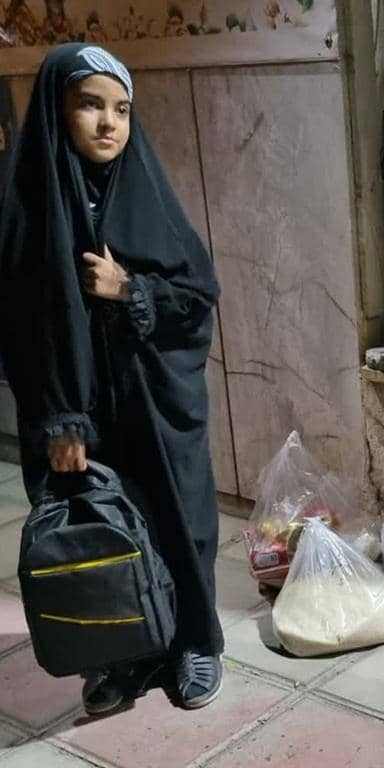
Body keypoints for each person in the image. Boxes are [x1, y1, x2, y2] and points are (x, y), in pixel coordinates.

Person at [0, 44, 223, 714]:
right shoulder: (26, 212)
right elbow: (21, 329)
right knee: (98, 527)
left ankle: (193, 642)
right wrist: (60, 418)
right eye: (90, 104)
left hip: (156, 400)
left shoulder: (147, 194)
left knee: (178, 518)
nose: (108, 123)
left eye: (121, 108)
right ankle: (118, 654)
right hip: (81, 412)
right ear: (56, 111)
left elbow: (198, 296)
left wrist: (132, 289)